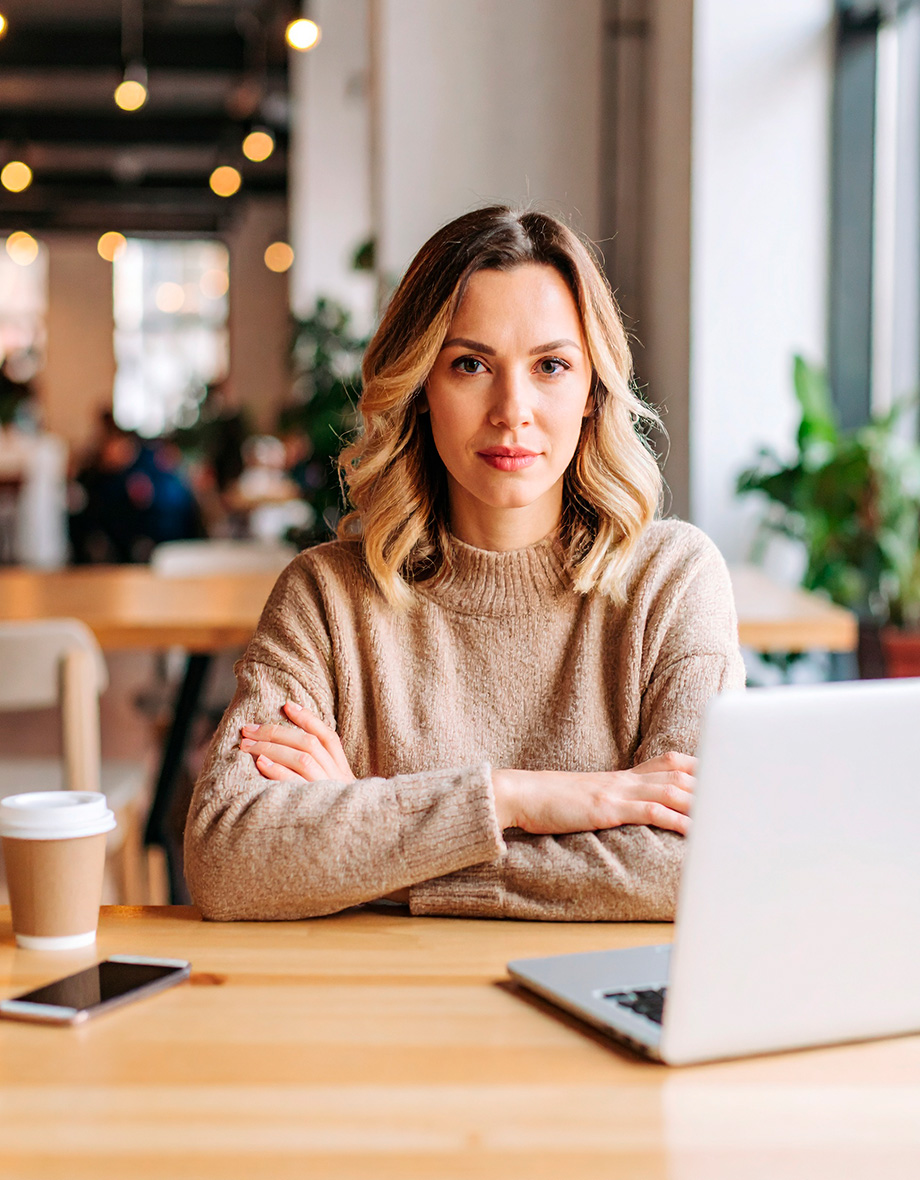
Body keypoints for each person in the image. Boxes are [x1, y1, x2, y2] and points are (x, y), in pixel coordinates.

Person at [185, 207, 745, 922]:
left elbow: (691, 864)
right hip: (377, 1017)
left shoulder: (674, 581)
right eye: (471, 365)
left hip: (596, 1019)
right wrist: (517, 797)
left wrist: (368, 837)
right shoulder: (326, 597)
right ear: (420, 390)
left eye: (551, 366)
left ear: (592, 392)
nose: (513, 410)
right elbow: (228, 859)